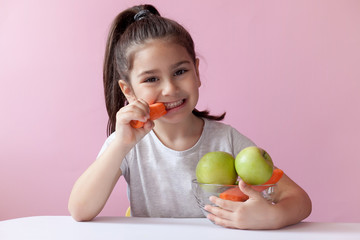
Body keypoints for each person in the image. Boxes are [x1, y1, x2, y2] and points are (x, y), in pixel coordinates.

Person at [68, 4, 312, 229]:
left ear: (196, 72)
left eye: (180, 72)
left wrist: (271, 216)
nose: (170, 89)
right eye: (151, 79)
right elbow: (79, 210)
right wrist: (120, 145)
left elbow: (300, 200)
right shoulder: (126, 143)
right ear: (128, 90)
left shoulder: (226, 140)